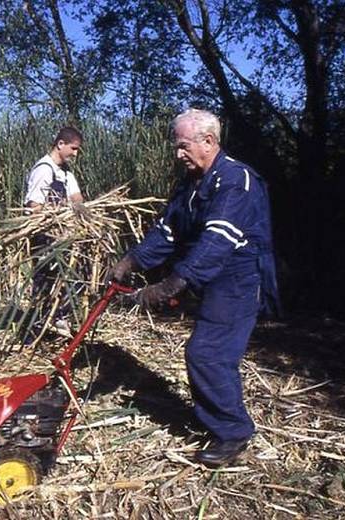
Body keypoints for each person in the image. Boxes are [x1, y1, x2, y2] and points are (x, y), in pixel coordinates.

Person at [106, 108, 279, 467]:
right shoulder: (192, 185)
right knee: (209, 352)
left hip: (240, 279)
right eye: (177, 146)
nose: (178, 154)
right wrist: (131, 261)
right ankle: (217, 418)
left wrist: (171, 285)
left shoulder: (236, 181)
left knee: (208, 353)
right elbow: (167, 232)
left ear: (209, 141)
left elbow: (217, 241)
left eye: (183, 146)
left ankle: (233, 432)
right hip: (216, 276)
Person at [23, 126, 90, 342]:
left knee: (74, 280)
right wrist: (58, 218)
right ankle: (33, 335)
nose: (76, 153)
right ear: (60, 144)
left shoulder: (66, 173)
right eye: (73, 148)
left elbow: (77, 198)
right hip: (44, 239)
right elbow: (35, 207)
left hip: (64, 238)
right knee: (44, 285)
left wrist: (80, 213)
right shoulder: (43, 170)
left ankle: (59, 322)